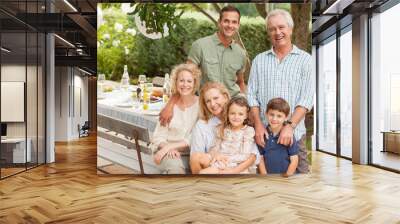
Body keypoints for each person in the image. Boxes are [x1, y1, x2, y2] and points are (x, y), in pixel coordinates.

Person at [247, 9, 314, 173]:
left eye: (281, 27)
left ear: (290, 29)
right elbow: (251, 96)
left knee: (300, 179)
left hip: (295, 134)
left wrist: (289, 126)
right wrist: (258, 125)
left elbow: (306, 99)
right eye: (272, 29)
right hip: (264, 136)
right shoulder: (259, 60)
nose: (277, 32)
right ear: (268, 33)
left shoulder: (306, 60)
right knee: (264, 182)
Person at [158, 5, 246, 126]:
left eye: (234, 22)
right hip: (206, 110)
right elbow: (186, 79)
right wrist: (170, 105)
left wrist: (245, 107)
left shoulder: (240, 53)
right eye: (226, 21)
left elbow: (240, 83)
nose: (230, 25)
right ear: (219, 22)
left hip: (231, 114)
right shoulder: (200, 46)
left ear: (238, 25)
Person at [189, 82, 259, 174]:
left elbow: (253, 155)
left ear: (225, 97)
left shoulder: (239, 121)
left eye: (216, 98)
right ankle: (202, 185)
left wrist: (233, 170)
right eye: (208, 101)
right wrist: (216, 156)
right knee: (195, 157)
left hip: (236, 164)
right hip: (216, 162)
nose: (213, 104)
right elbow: (198, 157)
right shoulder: (202, 125)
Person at [150, 63, 201, 174]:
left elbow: (197, 135)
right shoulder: (168, 107)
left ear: (195, 83)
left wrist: (170, 147)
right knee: (175, 168)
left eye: (189, 81)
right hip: (166, 152)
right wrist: (168, 148)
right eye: (181, 80)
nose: (185, 84)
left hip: (191, 153)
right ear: (176, 82)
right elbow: (158, 137)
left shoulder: (201, 106)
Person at [258, 98, 299, 177]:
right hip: (268, 178)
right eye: (271, 114)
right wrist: (265, 176)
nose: (274, 119)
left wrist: (286, 177)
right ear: (266, 114)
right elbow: (260, 158)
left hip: (285, 178)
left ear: (286, 117)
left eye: (279, 116)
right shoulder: (263, 134)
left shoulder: (288, 136)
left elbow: (294, 160)